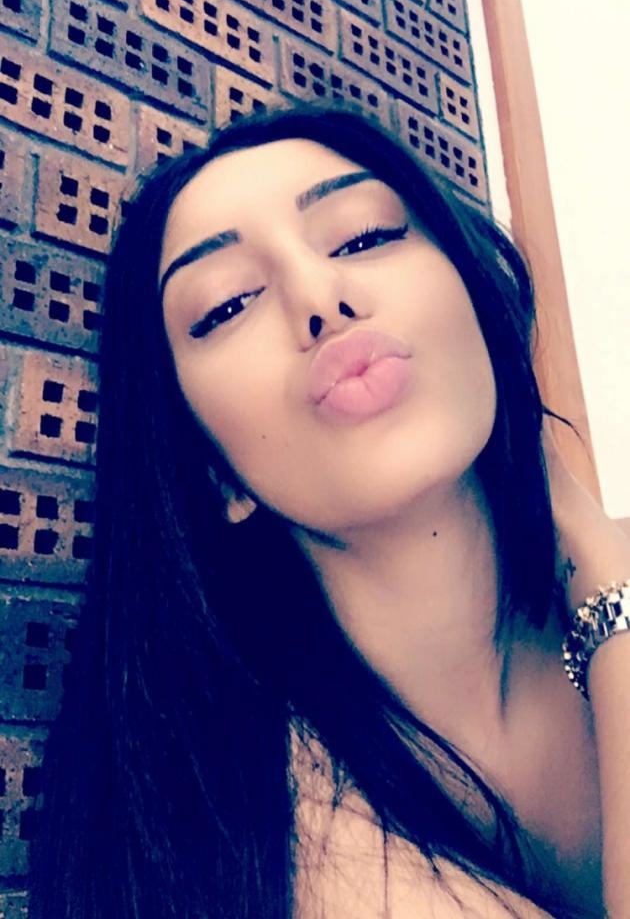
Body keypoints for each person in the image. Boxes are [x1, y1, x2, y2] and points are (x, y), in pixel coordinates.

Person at [27, 101, 630, 918]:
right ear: (215, 474)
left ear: (480, 313)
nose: (320, 295)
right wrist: (603, 561)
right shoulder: (288, 831)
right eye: (227, 304)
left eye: (364, 236)